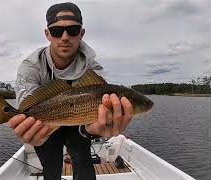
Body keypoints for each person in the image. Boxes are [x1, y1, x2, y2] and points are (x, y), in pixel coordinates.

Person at [7, 2, 133, 180]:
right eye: (57, 31)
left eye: (73, 30)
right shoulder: (30, 67)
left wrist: (92, 129)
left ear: (81, 33)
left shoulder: (92, 67)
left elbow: (96, 112)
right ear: (47, 34)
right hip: (45, 121)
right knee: (51, 166)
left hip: (79, 123)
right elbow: (27, 107)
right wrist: (31, 130)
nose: (65, 37)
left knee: (83, 162)